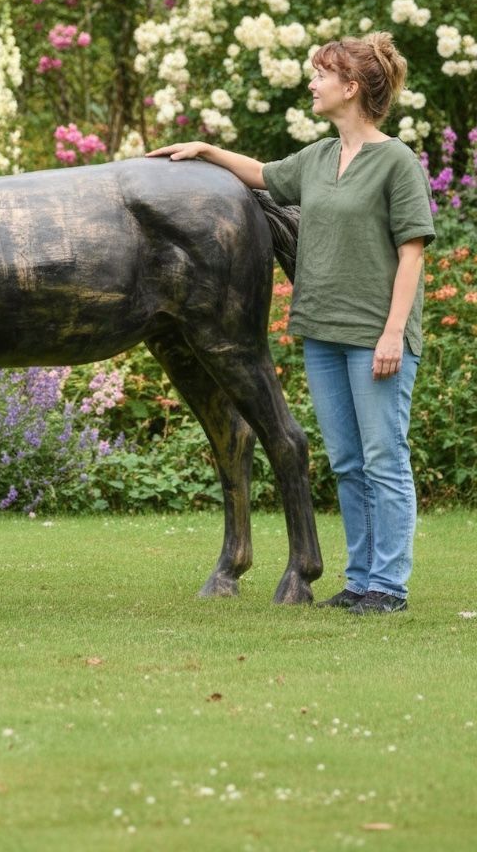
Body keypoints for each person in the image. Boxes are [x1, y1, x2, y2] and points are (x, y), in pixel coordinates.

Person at [148, 34, 435, 614]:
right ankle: (360, 580)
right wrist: (206, 150)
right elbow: (262, 174)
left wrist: (392, 333)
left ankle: (388, 587)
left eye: (321, 74)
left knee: (383, 460)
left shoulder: (397, 162)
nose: (312, 82)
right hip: (323, 333)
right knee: (348, 463)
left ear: (350, 88)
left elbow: (412, 253)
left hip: (375, 337)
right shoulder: (319, 158)